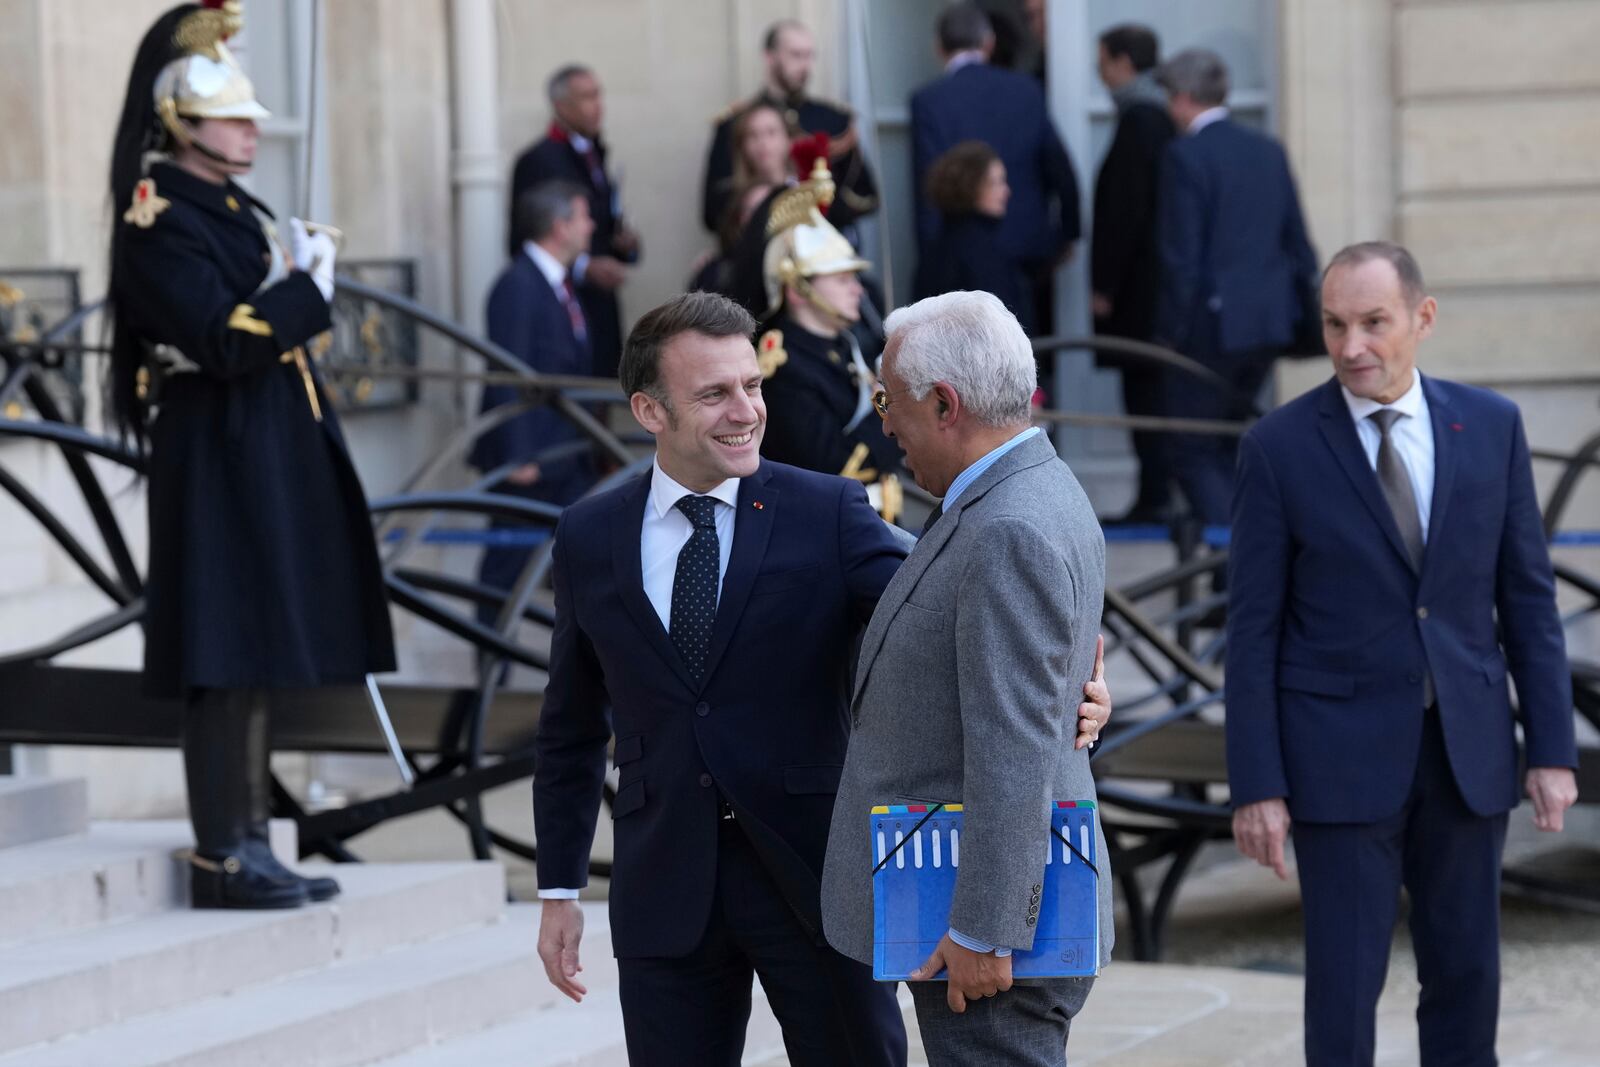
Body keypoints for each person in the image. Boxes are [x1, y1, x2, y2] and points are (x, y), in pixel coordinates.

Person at [531, 291, 1112, 1066]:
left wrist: (1080, 683)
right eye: (715, 393)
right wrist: (559, 889)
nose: (746, 410)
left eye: (754, 384)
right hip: (665, 887)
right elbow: (569, 726)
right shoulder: (588, 534)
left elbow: (958, 607)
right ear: (649, 409)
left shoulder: (826, 510)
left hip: (814, 881)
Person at [1226, 242, 1579, 1067]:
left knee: (1466, 977)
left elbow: (1528, 600)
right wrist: (1258, 784)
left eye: (1374, 323)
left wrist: (1553, 752)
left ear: (1422, 318)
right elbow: (1252, 630)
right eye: (1335, 324)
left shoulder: (1491, 427)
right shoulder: (1278, 447)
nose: (1352, 346)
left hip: (1469, 753)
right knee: (1344, 991)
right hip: (1336, 763)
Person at [105, 2, 394, 909]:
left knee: (259, 647)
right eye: (232, 119)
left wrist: (292, 281)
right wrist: (304, 292)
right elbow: (224, 340)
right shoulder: (159, 217)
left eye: (249, 117)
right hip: (214, 448)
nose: (250, 132)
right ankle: (218, 854)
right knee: (220, 651)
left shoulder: (231, 208)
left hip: (261, 445)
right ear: (179, 125)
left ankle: (252, 842)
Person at [822, 290, 1112, 1066]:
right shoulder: (1025, 487)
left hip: (993, 941)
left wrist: (985, 930)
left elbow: (1012, 747)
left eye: (889, 399)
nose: (883, 421)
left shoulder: (1007, 524)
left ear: (945, 403)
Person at [1151, 48, 1319, 525]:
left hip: (1210, 327)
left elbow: (1180, 257)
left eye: (1168, 96)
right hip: (1267, 324)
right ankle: (1241, 570)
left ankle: (1236, 563)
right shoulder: (1268, 150)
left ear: (1184, 98)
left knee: (1191, 448)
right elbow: (1300, 248)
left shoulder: (1185, 155)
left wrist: (1168, 333)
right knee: (1227, 441)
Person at [910, 2, 1080, 342]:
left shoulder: (930, 100)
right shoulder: (1026, 89)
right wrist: (1065, 235)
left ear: (939, 47)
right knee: (1026, 351)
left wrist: (932, 259)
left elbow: (925, 186)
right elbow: (1059, 167)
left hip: (958, 257)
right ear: (988, 42)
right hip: (1024, 247)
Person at [469, 180, 599, 622]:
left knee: (585, 561)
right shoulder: (519, 285)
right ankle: (488, 674)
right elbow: (509, 370)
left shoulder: (558, 284)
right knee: (507, 567)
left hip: (566, 454)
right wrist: (519, 455)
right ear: (560, 227)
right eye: (583, 217)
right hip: (533, 460)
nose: (591, 226)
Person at [754, 162, 901, 518]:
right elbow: (833, 464)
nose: (857, 289)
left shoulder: (843, 344)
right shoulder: (783, 366)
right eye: (840, 279)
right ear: (799, 290)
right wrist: (895, 407)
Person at [1091, 24, 1176, 524]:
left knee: (1145, 392)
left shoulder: (1141, 119)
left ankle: (1155, 497)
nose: (1099, 72)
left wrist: (1104, 284)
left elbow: (1125, 212)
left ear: (1124, 62)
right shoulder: (1154, 115)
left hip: (1141, 290)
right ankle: (1156, 493)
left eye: (1103, 60)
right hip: (1151, 285)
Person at [508, 65, 640, 380]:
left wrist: (625, 245)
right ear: (561, 106)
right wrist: (585, 267)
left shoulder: (595, 153)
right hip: (564, 309)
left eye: (599, 95)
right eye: (587, 97)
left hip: (601, 310)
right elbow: (522, 240)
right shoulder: (538, 160)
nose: (598, 105)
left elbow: (603, 225)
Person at [702, 19, 878, 238]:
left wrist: (814, 206)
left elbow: (865, 198)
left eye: (810, 55)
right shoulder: (735, 123)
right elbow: (713, 212)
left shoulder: (833, 120)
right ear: (770, 56)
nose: (805, 65)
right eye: (796, 55)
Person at [914, 140, 1030, 335]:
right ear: (971, 186)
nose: (1006, 192)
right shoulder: (984, 252)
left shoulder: (938, 245)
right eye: (996, 182)